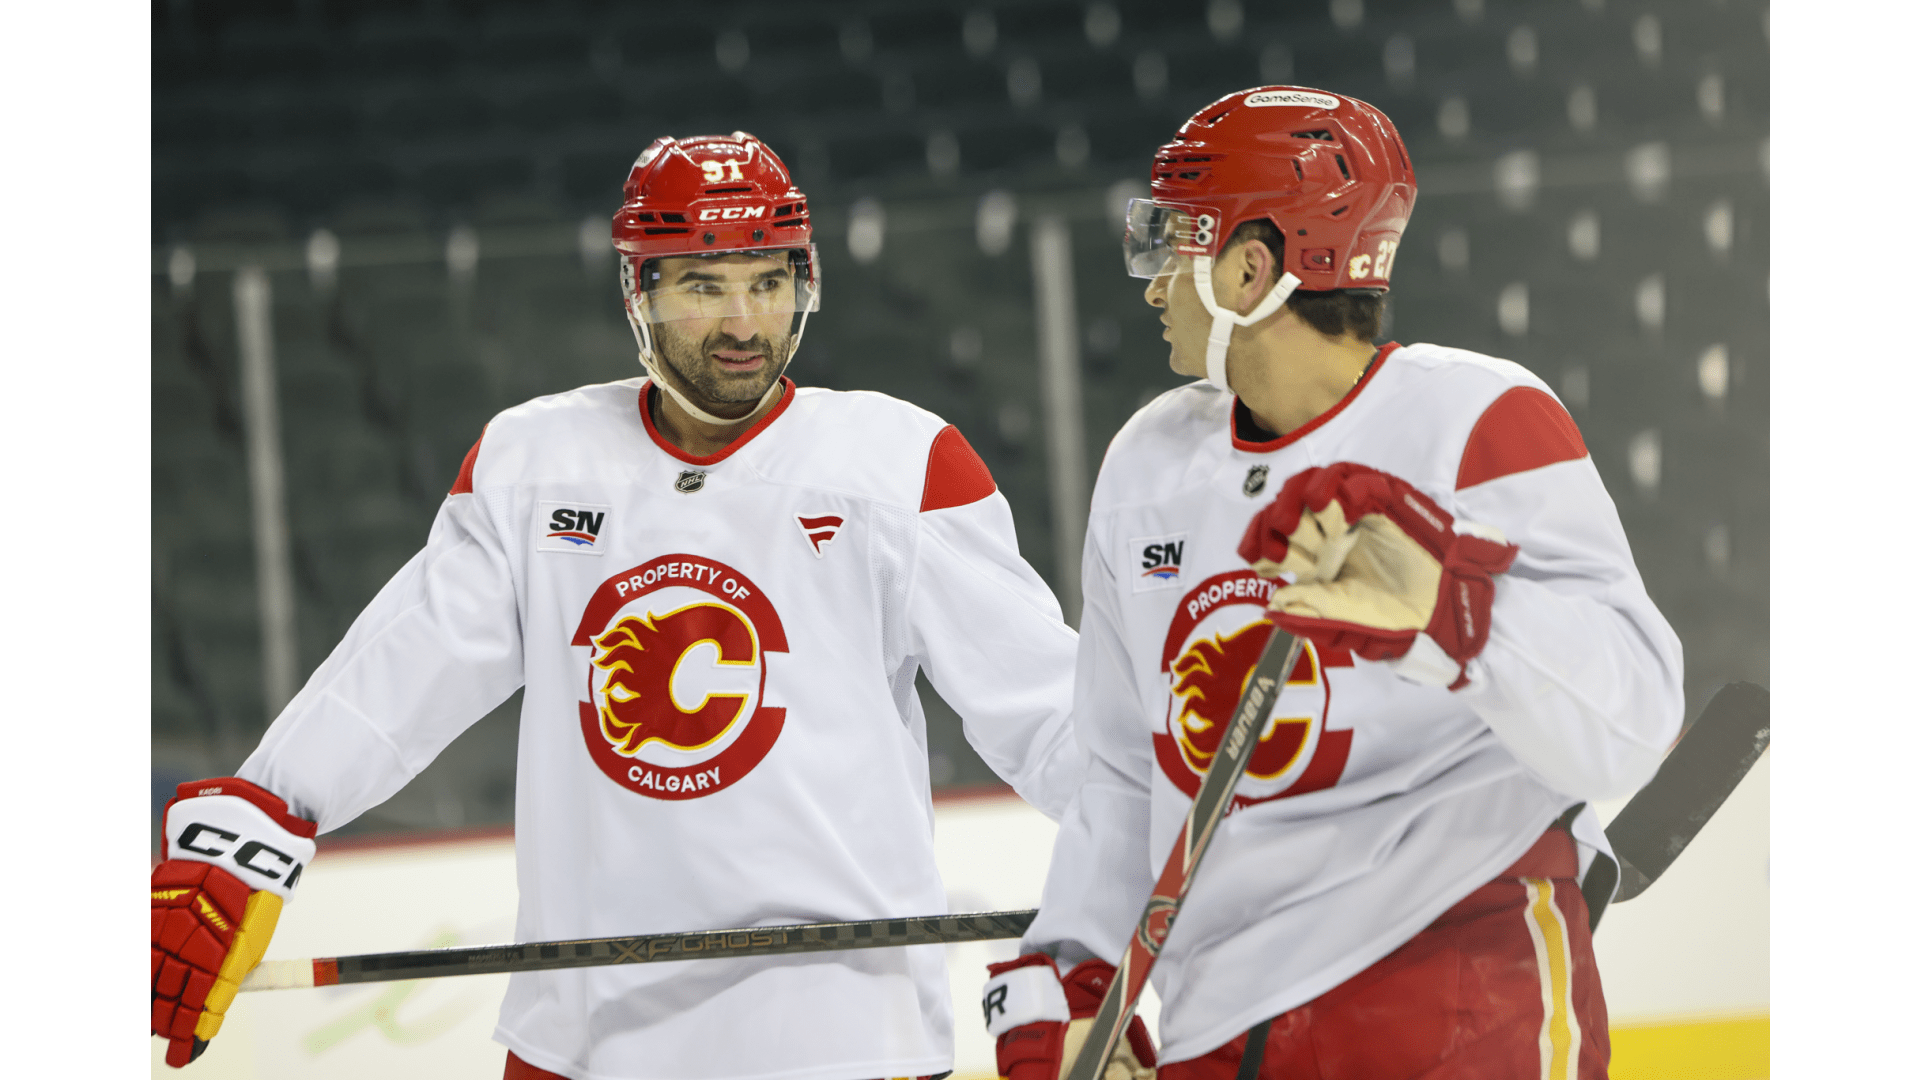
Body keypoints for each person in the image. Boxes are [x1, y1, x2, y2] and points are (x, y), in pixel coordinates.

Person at [150, 132, 1086, 1080]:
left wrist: (1144, 863)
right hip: (584, 1040)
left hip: (841, 1037)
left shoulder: (903, 466)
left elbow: (1047, 714)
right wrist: (256, 823)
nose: (744, 323)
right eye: (704, 287)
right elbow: (395, 679)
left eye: (768, 282)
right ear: (639, 291)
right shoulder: (533, 465)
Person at [979, 87, 1683, 1080]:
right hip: (1222, 1022)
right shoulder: (1148, 464)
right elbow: (1127, 775)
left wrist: (1451, 608)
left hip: (1455, 990)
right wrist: (1079, 977)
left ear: (1252, 268)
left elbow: (1634, 717)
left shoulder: (1474, 419)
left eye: (1175, 242)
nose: (1153, 285)